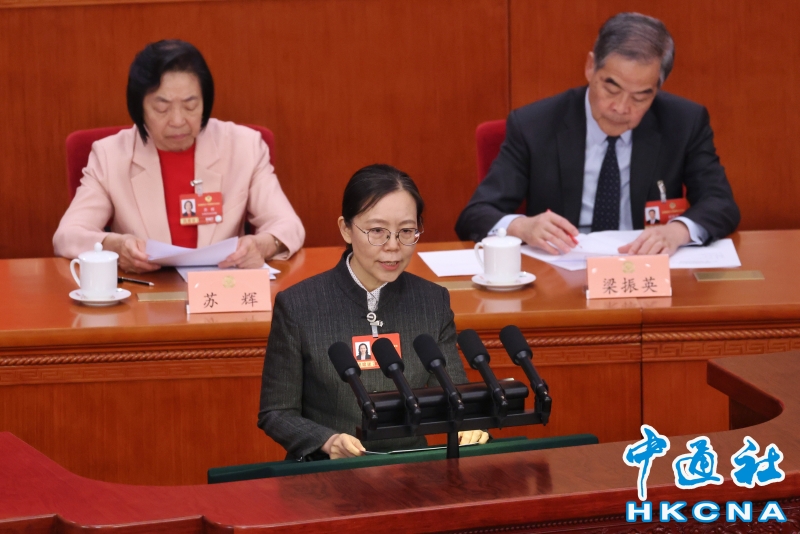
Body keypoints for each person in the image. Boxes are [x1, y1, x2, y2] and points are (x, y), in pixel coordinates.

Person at [455, 12, 739, 257]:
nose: (621, 108)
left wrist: (677, 231)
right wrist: (522, 227)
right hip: (560, 272)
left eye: (640, 97)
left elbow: (721, 204)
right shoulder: (534, 125)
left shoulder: (684, 122)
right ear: (591, 67)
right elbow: (475, 215)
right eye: (611, 88)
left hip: (645, 269)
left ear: (657, 89)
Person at [259, 164, 489, 460]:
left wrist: (469, 424)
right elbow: (277, 412)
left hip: (411, 469)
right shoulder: (299, 305)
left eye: (406, 231)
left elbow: (454, 395)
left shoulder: (432, 301)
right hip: (328, 471)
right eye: (377, 231)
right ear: (346, 228)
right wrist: (327, 441)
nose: (393, 246)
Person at [53, 40, 305, 272]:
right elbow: (67, 235)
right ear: (139, 107)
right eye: (161, 108)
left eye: (190, 106)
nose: (177, 120)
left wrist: (262, 245)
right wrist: (115, 247)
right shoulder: (110, 155)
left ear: (205, 102)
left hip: (223, 289)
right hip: (146, 292)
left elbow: (288, 226)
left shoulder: (244, 146)